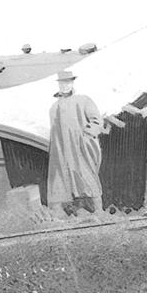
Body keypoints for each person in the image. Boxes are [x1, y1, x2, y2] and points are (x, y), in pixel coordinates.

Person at [47, 71, 105, 215]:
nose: (65, 86)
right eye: (62, 83)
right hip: (61, 150)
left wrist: (87, 136)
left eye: (68, 82)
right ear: (58, 85)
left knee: (87, 175)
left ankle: (99, 209)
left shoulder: (83, 100)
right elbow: (54, 131)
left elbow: (96, 120)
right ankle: (67, 210)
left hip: (80, 148)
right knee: (62, 178)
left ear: (72, 83)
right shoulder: (54, 107)